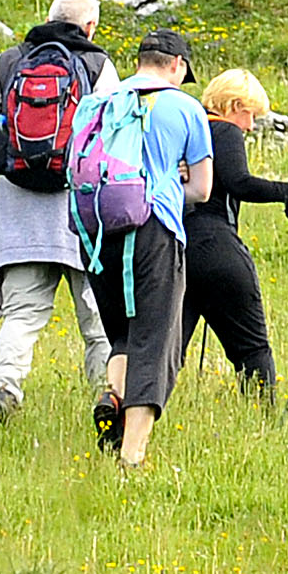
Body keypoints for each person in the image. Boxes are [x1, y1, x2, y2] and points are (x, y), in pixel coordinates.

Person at [0, 0, 114, 423]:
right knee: (98, 318)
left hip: (20, 209)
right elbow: (113, 133)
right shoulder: (97, 64)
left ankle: (4, 387)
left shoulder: (9, 62)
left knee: (23, 314)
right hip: (81, 210)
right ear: (90, 27)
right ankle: (108, 396)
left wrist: (3, 120)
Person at [74, 29, 214, 471]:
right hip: (154, 230)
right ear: (177, 65)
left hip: (95, 230)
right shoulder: (186, 107)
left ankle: (114, 394)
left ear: (139, 60)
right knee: (155, 340)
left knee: (122, 333)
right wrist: (172, 180)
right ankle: (131, 455)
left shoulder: (98, 103)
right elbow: (203, 189)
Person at [183, 65, 288, 404]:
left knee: (167, 348)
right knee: (251, 347)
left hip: (174, 246)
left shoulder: (186, 127)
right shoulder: (223, 131)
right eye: (250, 115)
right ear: (233, 106)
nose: (250, 126)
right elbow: (238, 183)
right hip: (216, 243)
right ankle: (263, 414)